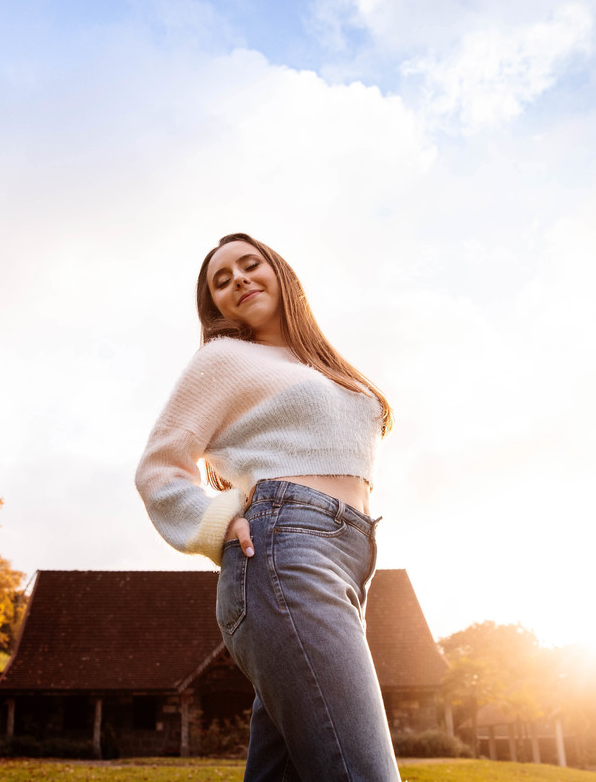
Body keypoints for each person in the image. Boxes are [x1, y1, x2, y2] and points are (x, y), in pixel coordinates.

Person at [135, 233, 400, 781]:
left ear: (278, 271)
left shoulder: (319, 363)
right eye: (222, 281)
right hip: (286, 550)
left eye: (250, 264)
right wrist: (216, 523)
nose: (239, 280)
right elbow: (158, 467)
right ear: (216, 306)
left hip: (348, 558)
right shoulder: (224, 358)